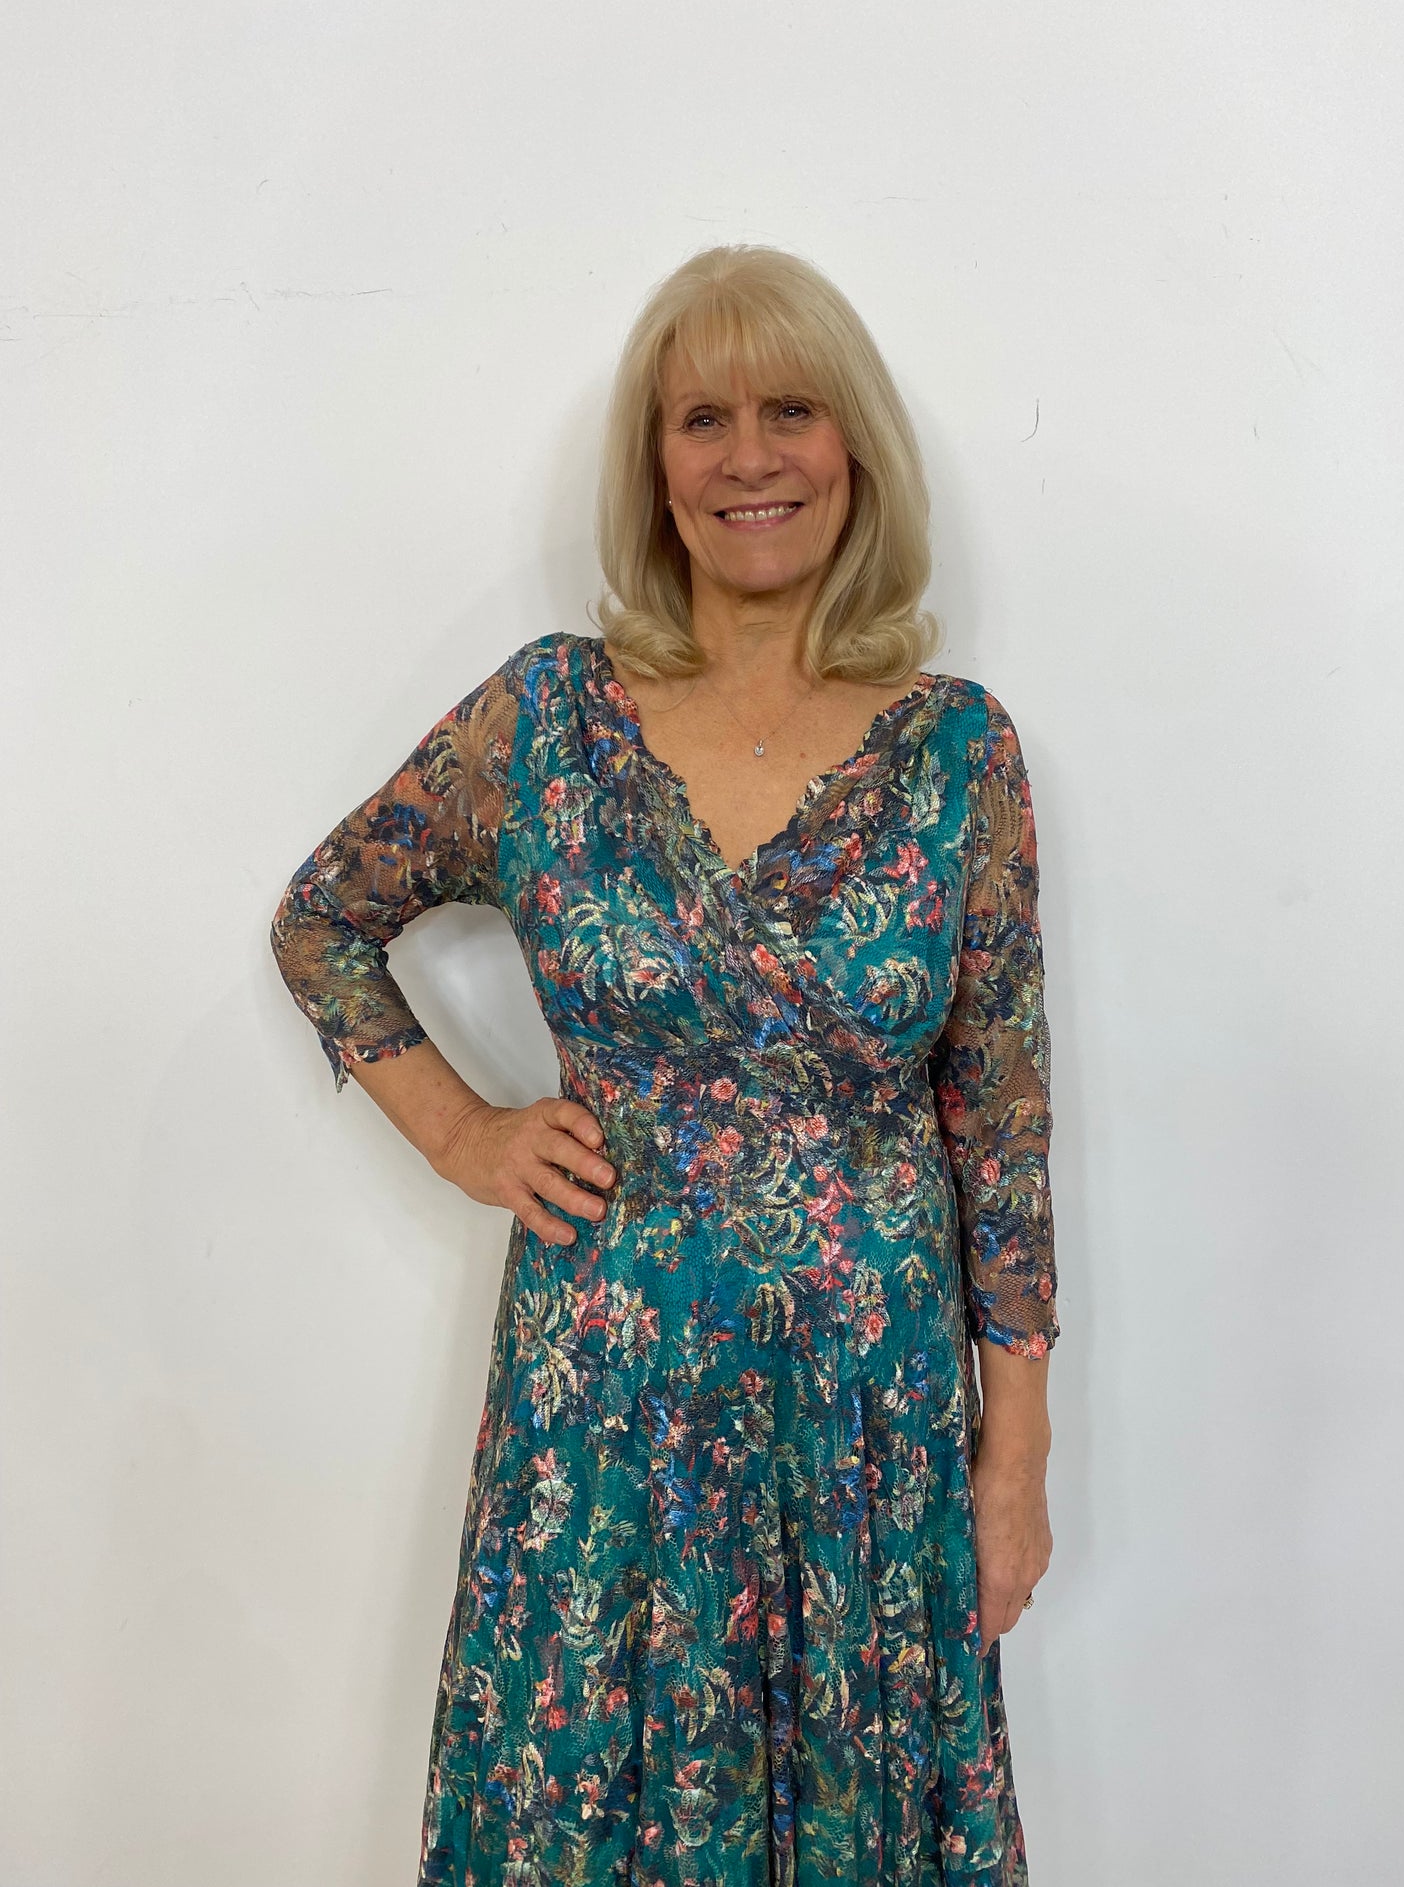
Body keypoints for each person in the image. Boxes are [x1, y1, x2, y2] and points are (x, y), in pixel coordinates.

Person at [270, 243, 1061, 1887]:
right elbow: (325, 919)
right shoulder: (548, 722)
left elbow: (998, 1123)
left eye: (791, 411)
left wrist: (1016, 1454)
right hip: (606, 1409)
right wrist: (461, 1132)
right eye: (703, 418)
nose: (748, 457)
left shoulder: (958, 753)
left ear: (854, 448)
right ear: (655, 467)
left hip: (868, 1420)